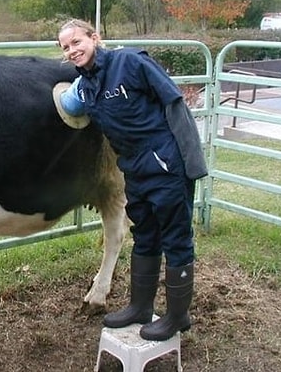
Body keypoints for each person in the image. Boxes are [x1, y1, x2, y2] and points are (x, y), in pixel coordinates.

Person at [55, 19, 207, 341]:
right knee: (145, 234)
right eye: (66, 47)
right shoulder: (85, 87)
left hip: (165, 161)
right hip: (133, 167)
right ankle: (140, 307)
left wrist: (190, 162)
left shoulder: (131, 62)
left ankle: (177, 316)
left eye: (77, 42)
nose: (72, 50)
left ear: (95, 38)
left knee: (175, 237)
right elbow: (66, 103)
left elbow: (174, 103)